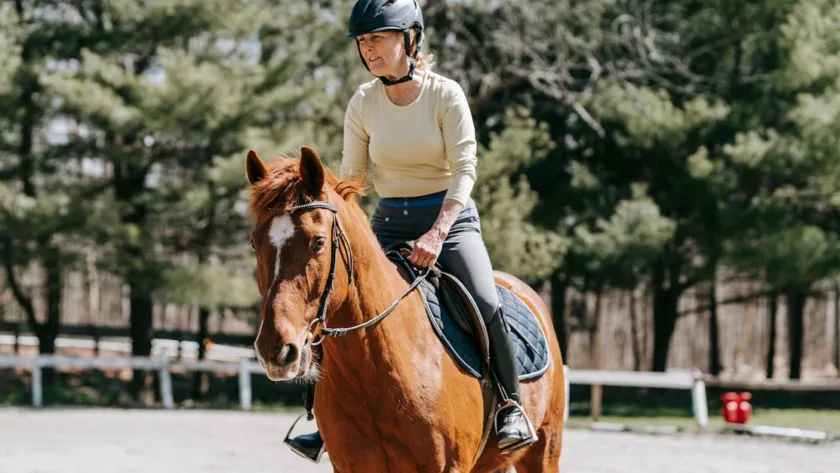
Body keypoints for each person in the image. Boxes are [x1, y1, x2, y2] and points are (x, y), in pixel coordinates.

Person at [284, 0, 537, 462]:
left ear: (410, 39)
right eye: (363, 42)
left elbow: (465, 169)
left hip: (451, 220)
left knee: (485, 298)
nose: (369, 49)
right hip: (387, 223)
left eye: (377, 39)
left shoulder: (446, 94)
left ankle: (510, 406)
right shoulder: (363, 102)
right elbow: (351, 179)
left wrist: (439, 232)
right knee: (334, 300)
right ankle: (320, 419)